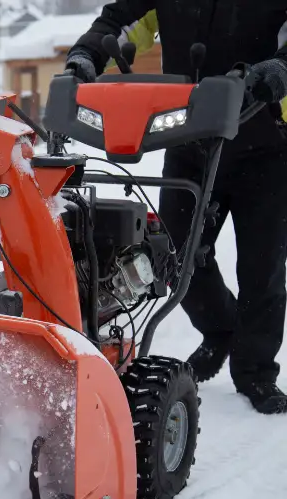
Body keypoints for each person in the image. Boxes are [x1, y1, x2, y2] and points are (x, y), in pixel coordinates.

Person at [64, 1, 287, 414]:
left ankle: (255, 371)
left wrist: (280, 69)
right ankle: (220, 327)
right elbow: (119, 21)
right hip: (189, 137)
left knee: (263, 267)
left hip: (266, 142)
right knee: (175, 254)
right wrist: (86, 54)